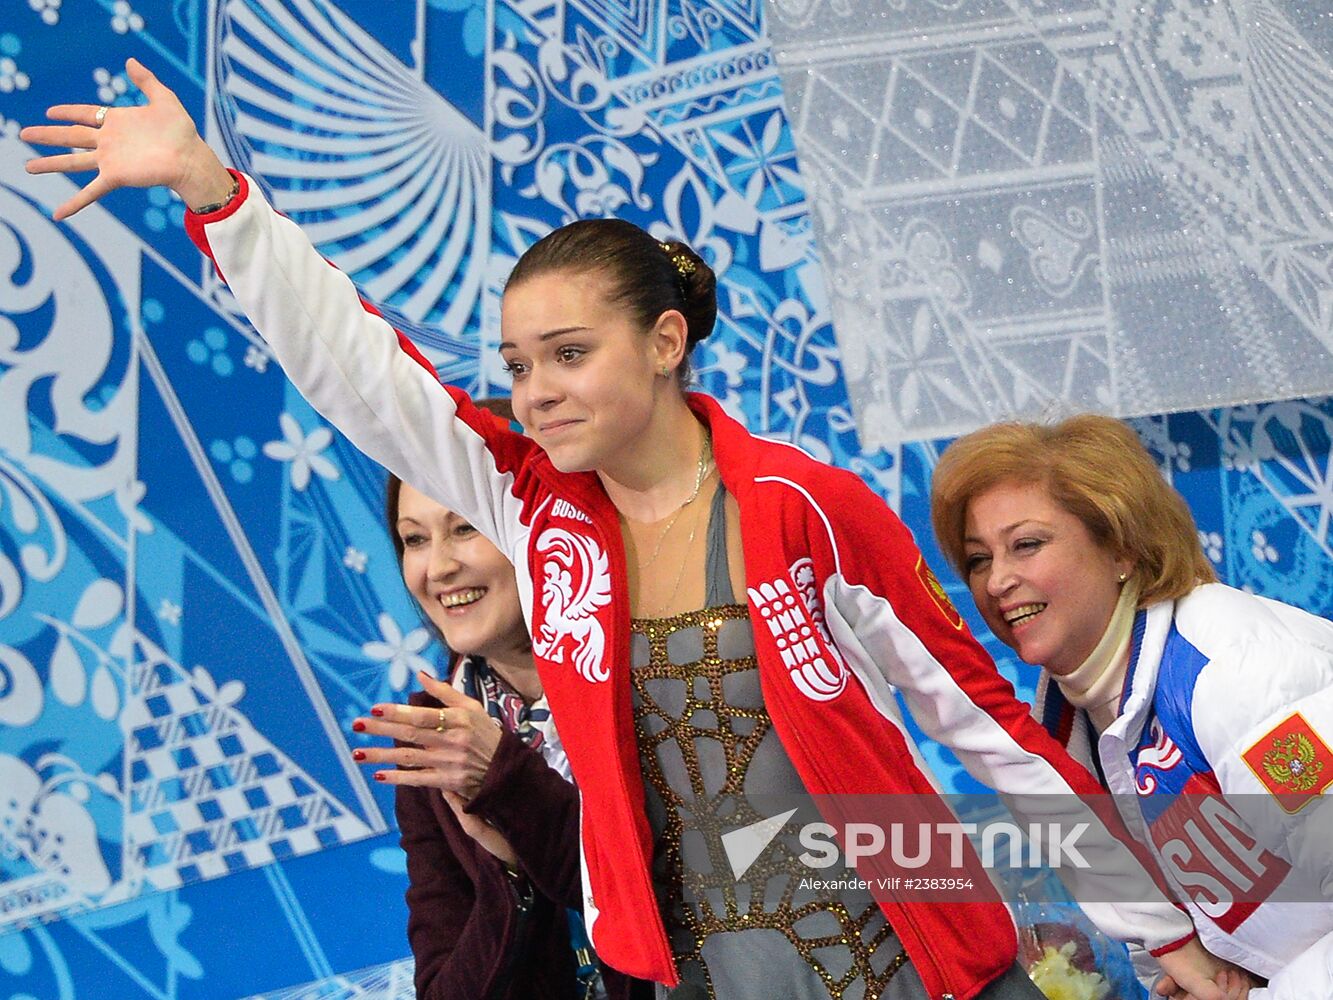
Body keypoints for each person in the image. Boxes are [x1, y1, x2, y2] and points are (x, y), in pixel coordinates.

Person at [24, 60, 1241, 1000]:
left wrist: (1162, 931)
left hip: (913, 961)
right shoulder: (533, 506)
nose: (535, 391)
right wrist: (216, 195)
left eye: (568, 354)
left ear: (664, 343)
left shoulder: (806, 509)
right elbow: (361, 372)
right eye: (517, 364)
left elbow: (984, 728)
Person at [930, 413, 1333, 999]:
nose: (996, 582)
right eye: (978, 560)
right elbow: (1164, 943)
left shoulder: (1235, 673)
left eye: (1026, 545)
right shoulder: (1067, 726)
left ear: (1121, 547)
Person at [351, 397, 625, 998]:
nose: (438, 568)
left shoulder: (662, 673)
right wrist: (508, 876)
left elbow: (705, 898)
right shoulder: (434, 736)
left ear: (550, 530)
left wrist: (508, 781)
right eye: (414, 539)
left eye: (465, 527)